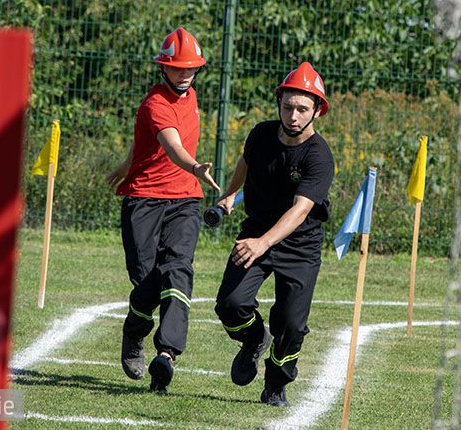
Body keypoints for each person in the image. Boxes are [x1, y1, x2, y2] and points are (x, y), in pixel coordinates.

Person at [213, 61, 334, 407]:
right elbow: (245, 163)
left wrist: (263, 243)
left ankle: (276, 383)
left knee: (292, 326)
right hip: (256, 231)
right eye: (288, 106)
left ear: (317, 111)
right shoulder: (261, 134)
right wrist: (231, 194)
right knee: (230, 304)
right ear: (279, 103)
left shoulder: (319, 156)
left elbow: (300, 210)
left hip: (300, 245)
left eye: (302, 109)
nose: (293, 115)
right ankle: (254, 340)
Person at [107, 27, 220, 393]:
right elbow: (170, 145)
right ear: (163, 68)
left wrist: (130, 160)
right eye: (177, 68)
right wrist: (195, 167)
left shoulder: (192, 95)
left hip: (185, 200)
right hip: (145, 199)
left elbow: (151, 143)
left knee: (178, 270)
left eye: (191, 68)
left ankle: (167, 355)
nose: (185, 74)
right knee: (147, 283)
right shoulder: (155, 103)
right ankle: (134, 331)